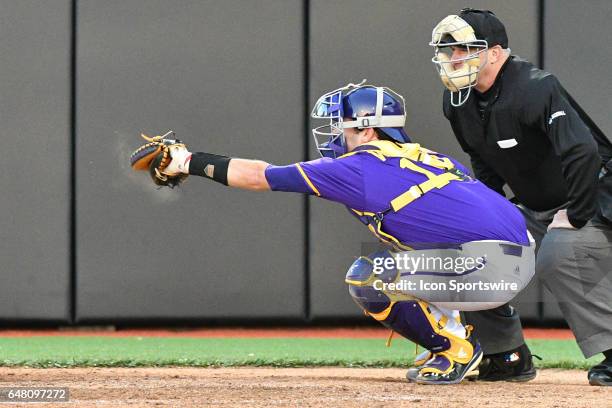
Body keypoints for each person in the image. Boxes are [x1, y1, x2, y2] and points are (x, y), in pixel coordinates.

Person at [130, 81, 535, 385]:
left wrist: (187, 161)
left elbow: (259, 176)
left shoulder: (357, 166)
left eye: (345, 126)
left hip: (488, 267)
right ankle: (508, 354)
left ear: (370, 129)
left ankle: (456, 350)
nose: (337, 133)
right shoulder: (425, 157)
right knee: (411, 253)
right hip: (514, 256)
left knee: (371, 275)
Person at [429, 8, 612, 386]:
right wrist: (491, 214)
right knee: (468, 245)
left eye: (464, 49)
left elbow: (584, 153)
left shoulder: (534, 86)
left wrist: (576, 215)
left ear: (495, 53)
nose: (453, 59)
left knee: (562, 252)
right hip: (538, 205)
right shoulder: (457, 103)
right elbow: (484, 162)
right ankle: (506, 355)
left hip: (595, 198)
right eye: (448, 51)